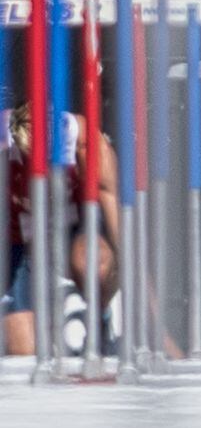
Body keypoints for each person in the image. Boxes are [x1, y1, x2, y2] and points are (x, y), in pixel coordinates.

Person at [2, 102, 120, 355]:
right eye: (31, 162)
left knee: (92, 260)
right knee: (23, 350)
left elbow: (124, 238)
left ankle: (101, 316)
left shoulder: (87, 144)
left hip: (73, 227)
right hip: (18, 239)